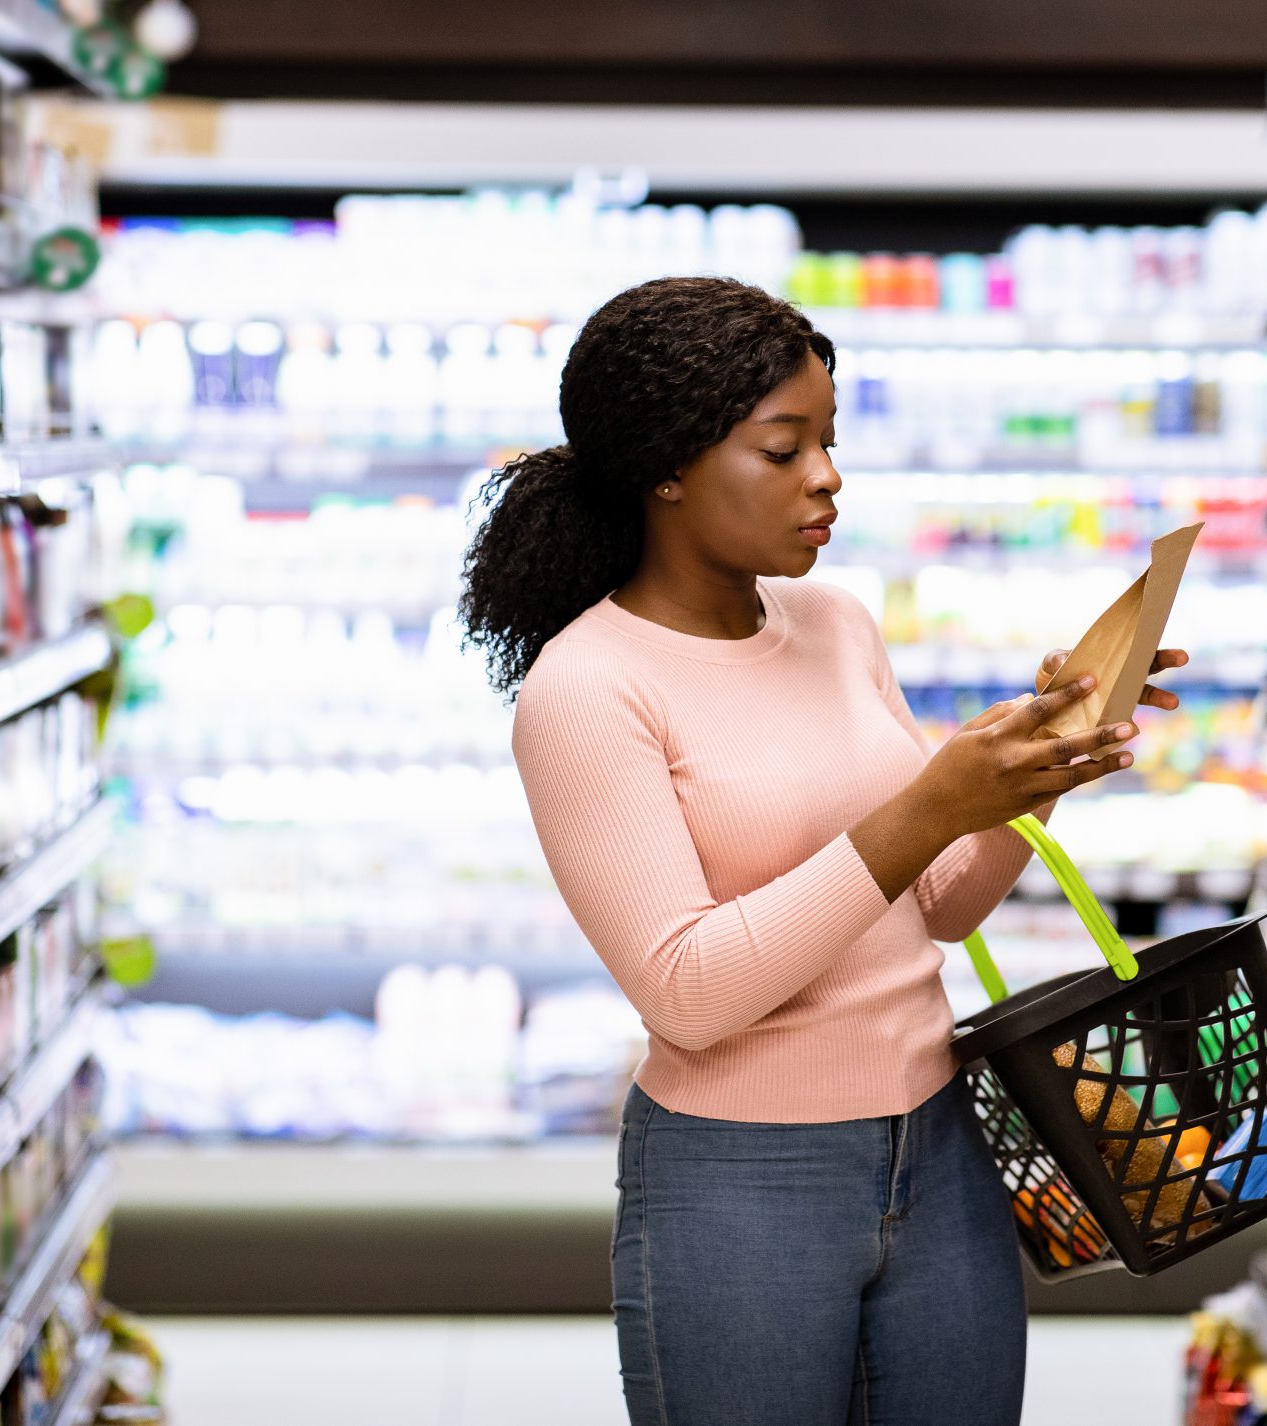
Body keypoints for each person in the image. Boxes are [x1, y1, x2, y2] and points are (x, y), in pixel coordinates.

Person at [462, 276, 1186, 1426]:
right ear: (665, 467)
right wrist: (922, 805)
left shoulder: (835, 623)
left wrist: (1032, 769)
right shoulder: (587, 689)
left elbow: (934, 905)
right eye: (783, 448)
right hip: (738, 1181)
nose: (827, 478)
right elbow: (690, 991)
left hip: (941, 1145)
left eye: (830, 442)